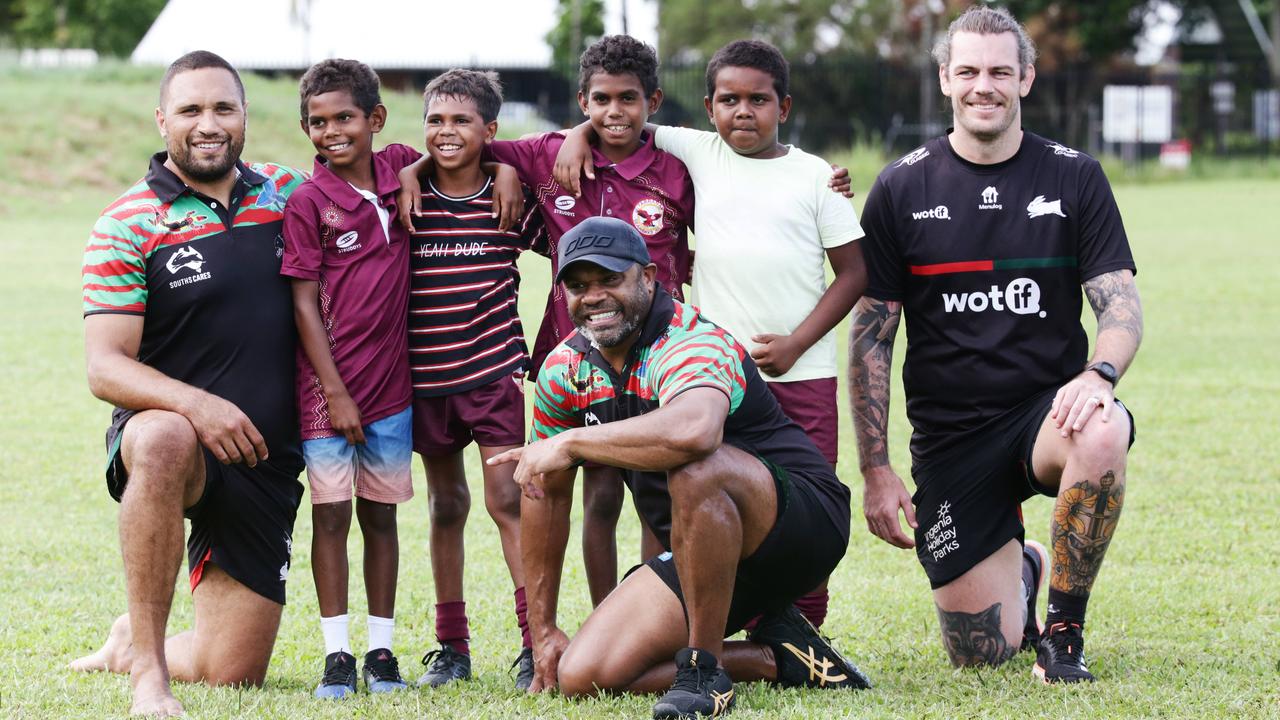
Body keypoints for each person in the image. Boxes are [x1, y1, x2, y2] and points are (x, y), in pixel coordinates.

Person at [848, 6, 1141, 684]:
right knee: (980, 653)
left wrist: (1099, 374)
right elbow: (870, 342)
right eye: (970, 71)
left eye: (1001, 71)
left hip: (1047, 415)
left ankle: (1064, 638)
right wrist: (875, 469)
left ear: (1027, 79)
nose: (986, 85)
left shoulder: (1075, 177)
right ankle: (1027, 567)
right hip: (952, 440)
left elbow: (1121, 309)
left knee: (1103, 429)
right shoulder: (900, 187)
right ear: (946, 78)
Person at [490, 217, 870, 718]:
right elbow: (545, 490)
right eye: (578, 286)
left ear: (649, 277)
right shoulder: (565, 369)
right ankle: (778, 657)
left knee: (697, 467)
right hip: (705, 553)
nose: (594, 296)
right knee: (583, 676)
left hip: (802, 525)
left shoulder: (692, 340)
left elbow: (695, 433)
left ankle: (704, 672)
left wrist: (574, 439)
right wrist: (542, 631)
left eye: (610, 280)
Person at [554, 38, 866, 630]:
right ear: (707, 106)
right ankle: (700, 620)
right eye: (729, 100)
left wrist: (797, 342)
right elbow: (616, 116)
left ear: (785, 107)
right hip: (712, 378)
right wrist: (575, 137)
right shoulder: (697, 149)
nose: (742, 111)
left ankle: (803, 631)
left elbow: (855, 273)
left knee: (805, 498)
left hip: (801, 371)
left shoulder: (816, 177)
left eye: (758, 100)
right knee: (698, 495)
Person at [71, 51, 308, 716]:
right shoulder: (127, 223)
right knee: (165, 437)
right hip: (173, 440)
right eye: (191, 110)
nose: (209, 124)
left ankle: (127, 644)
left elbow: (380, 177)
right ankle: (149, 673)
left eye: (223, 108)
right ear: (162, 120)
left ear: (244, 117)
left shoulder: (288, 196)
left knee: (232, 671)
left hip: (264, 458)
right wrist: (199, 406)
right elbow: (105, 367)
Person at [281, 58, 422, 698]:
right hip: (326, 394)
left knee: (382, 519)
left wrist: (503, 166)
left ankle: (382, 651)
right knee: (331, 517)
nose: (332, 131)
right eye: (317, 122)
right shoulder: (309, 202)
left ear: (376, 119)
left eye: (345, 118)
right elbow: (304, 303)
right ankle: (338, 656)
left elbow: (473, 145)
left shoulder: (401, 171)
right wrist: (335, 392)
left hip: (392, 389)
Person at [406, 69, 545, 691]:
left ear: (490, 130)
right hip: (425, 378)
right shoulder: (403, 195)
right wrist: (410, 171)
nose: (446, 131)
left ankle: (535, 641)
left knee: (506, 501)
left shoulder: (509, 199)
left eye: (462, 120)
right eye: (436, 119)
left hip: (491, 376)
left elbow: (572, 253)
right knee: (445, 506)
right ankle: (451, 645)